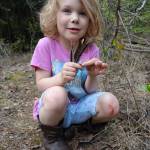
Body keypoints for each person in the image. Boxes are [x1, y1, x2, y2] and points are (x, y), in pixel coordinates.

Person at [31, 0, 120, 149]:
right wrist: (59, 79)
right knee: (57, 95)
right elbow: (41, 84)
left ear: (90, 20)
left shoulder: (91, 49)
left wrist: (92, 76)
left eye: (82, 13)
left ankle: (80, 127)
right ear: (54, 16)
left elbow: (90, 91)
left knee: (111, 104)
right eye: (67, 11)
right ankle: (52, 137)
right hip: (55, 107)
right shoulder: (46, 45)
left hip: (80, 105)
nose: (75, 18)